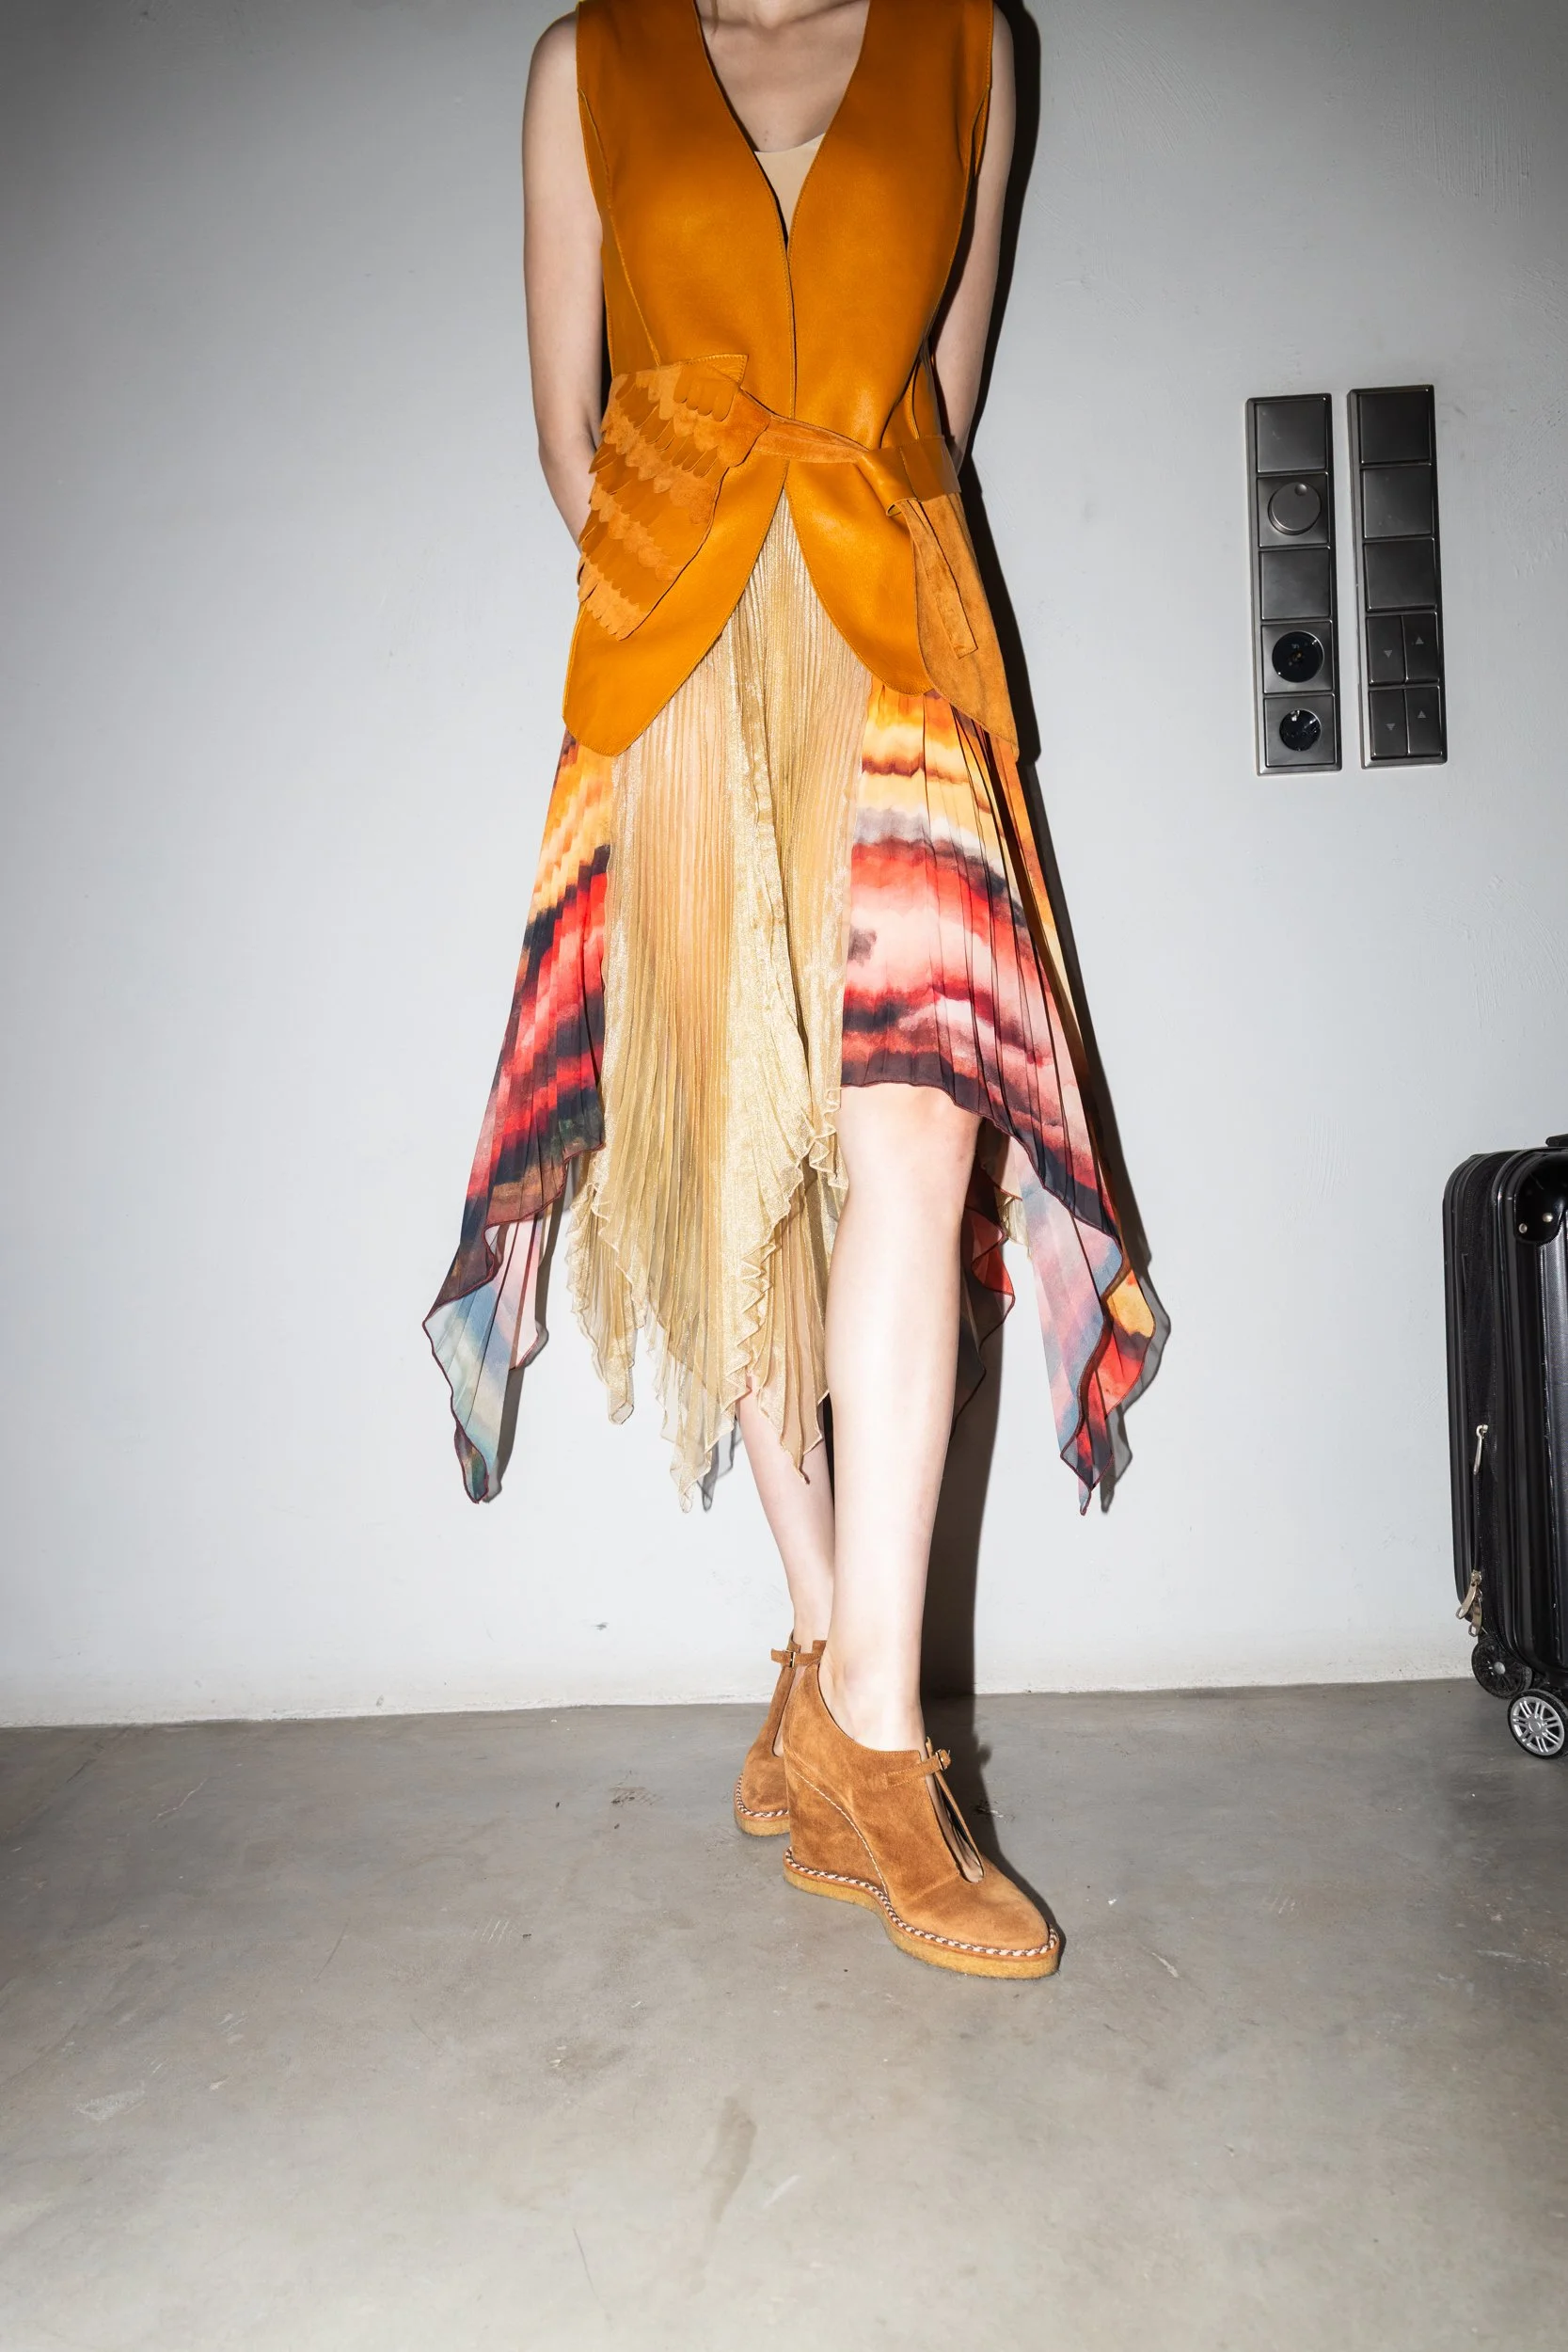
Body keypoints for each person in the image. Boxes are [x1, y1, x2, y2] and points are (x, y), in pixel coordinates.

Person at [424, 0, 1164, 1980]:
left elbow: (941, 391)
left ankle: (869, 1729)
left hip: (886, 613)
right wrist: (679, 625)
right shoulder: (582, 63)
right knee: (733, 1149)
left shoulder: (966, 46)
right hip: (678, 655)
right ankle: (842, 1685)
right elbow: (568, 428)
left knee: (915, 1152)